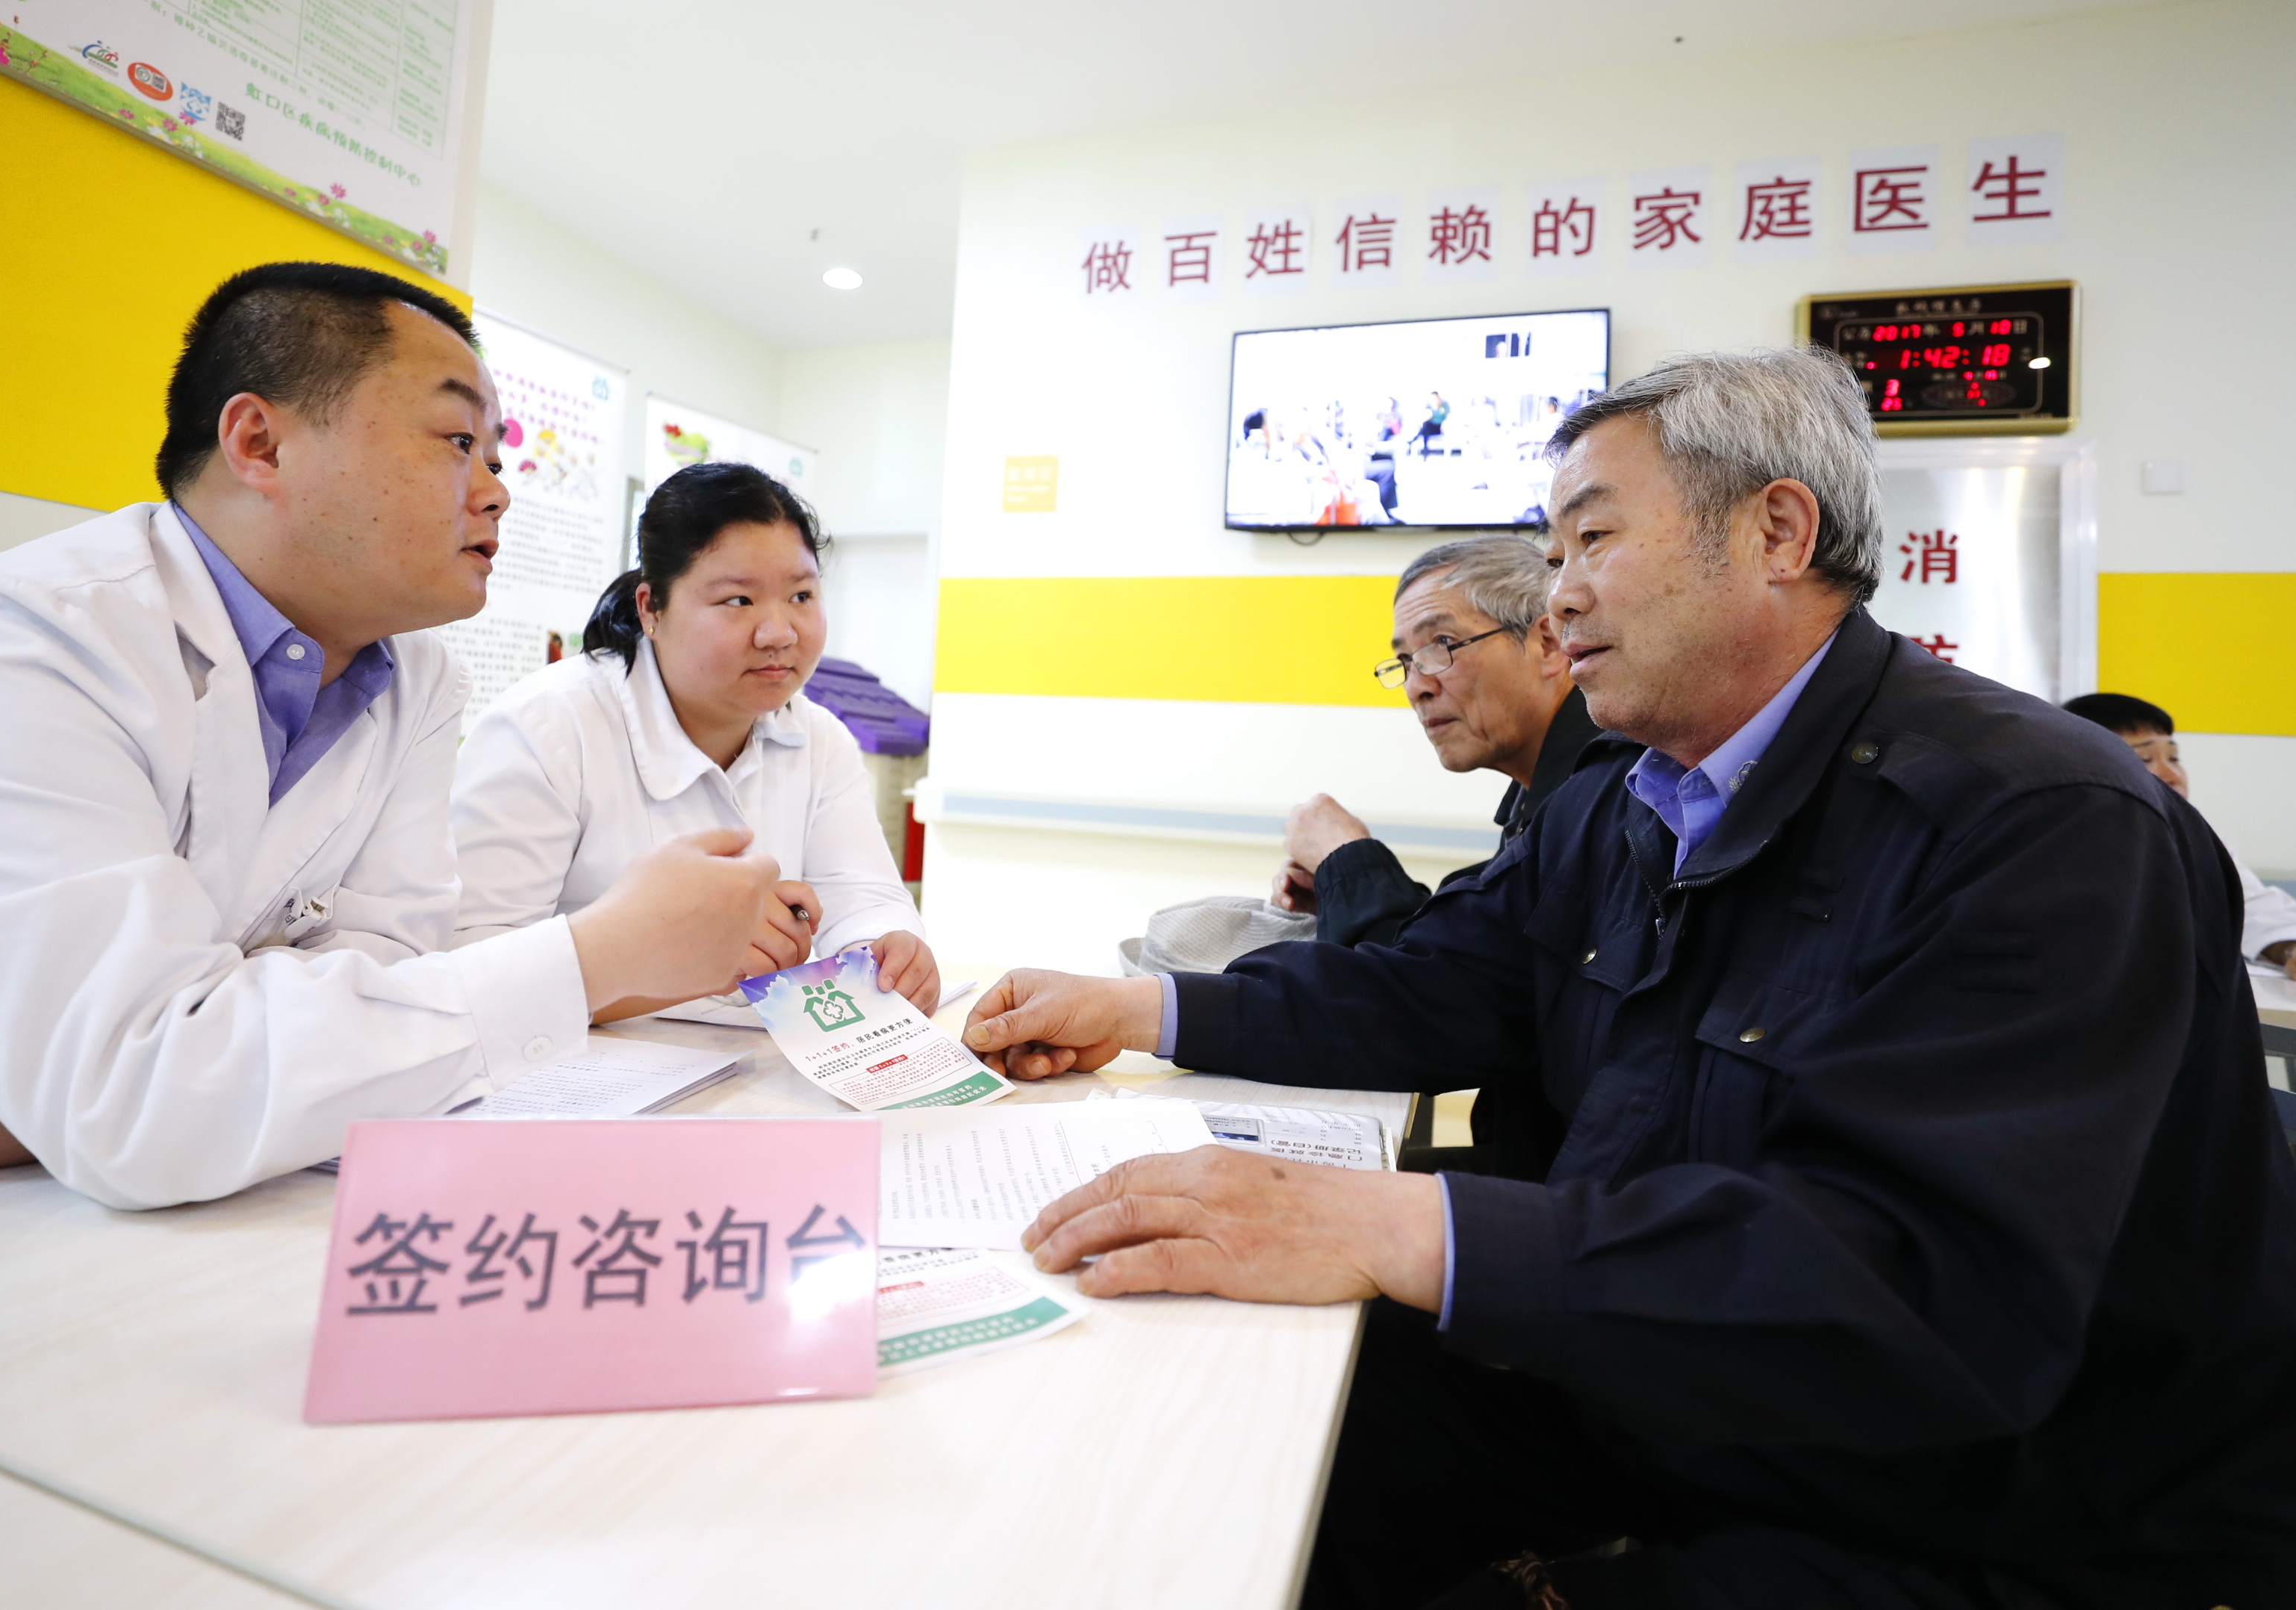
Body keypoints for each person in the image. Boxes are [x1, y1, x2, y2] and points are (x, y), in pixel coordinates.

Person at [962, 349, 2296, 1606]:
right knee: (1207, 1422)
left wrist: (1396, 1226)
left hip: (1962, 1506)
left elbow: (1915, 1286)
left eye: (1593, 540)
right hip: (1656, 1385)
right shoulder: (1632, 796)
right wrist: (1139, 1009)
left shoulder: (2036, 823)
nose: (1557, 598)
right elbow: (1431, 984)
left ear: (1777, 532)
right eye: (1551, 559)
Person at [0, 263, 776, 1210]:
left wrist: (29, 1100)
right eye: (455, 441)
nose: (495, 491)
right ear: (260, 444)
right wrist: (600, 954)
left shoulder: (412, 675)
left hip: (130, 1195)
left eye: (496, 456)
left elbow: (384, 971)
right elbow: (135, 1095)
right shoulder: (15, 650)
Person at [449, 461, 936, 1019]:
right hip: (583, 1065)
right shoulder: (548, 728)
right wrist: (688, 958)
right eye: (738, 601)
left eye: (801, 596)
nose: (779, 632)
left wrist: (886, 949)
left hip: (748, 1062)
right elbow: (473, 962)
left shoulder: (820, 738)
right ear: (651, 609)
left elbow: (863, 895)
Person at [1269, 535, 1599, 1178]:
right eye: (1405, 662)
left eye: (1440, 646)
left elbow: (1436, 1009)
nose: (1417, 687)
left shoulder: (1597, 792)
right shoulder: (1541, 794)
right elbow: (1482, 959)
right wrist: (1342, 887)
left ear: (1548, 643)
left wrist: (1347, 859)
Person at [2064, 691, 2296, 978]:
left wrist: (2289, 949)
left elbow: (2251, 909)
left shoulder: (2196, 843)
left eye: (2174, 758)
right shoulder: (2059, 850)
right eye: (2145, 759)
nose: (2173, 775)